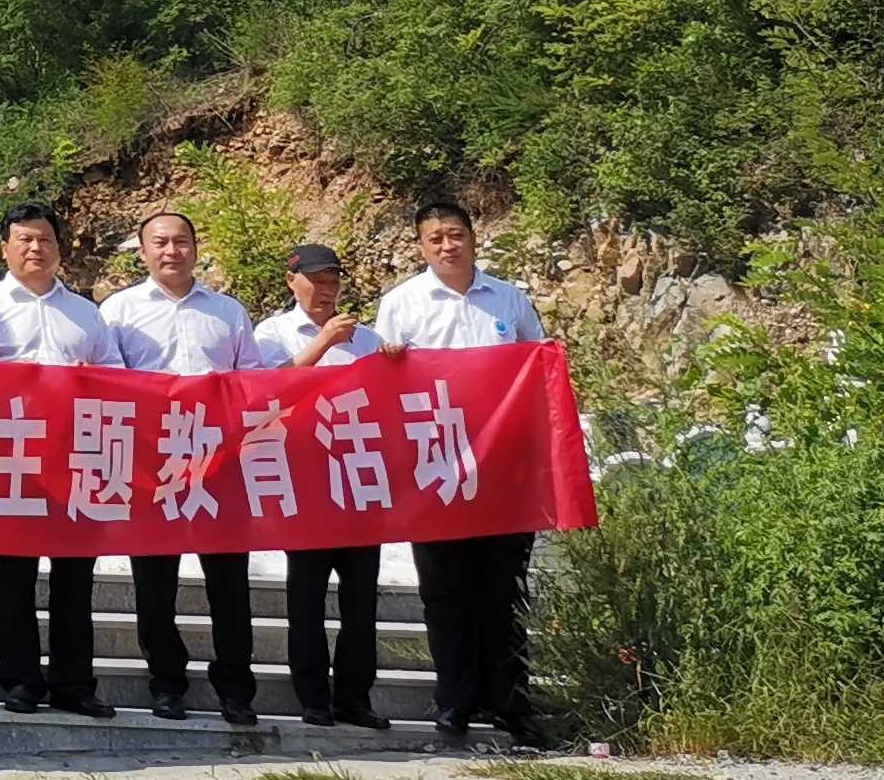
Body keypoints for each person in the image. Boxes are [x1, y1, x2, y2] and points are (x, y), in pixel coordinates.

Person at [377, 201, 553, 750]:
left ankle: (512, 704)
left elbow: (538, 366)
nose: (447, 246)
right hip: (435, 470)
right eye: (435, 238)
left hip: (502, 468)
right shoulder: (401, 303)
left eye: (455, 235)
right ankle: (455, 701)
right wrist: (392, 360)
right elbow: (383, 383)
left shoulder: (508, 299)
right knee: (445, 591)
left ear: (473, 238)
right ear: (421, 246)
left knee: (504, 590)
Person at [103, 210, 269, 726]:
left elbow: (252, 381)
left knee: (229, 584)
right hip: (151, 465)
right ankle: (166, 683)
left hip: (221, 462)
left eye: (180, 242)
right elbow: (109, 383)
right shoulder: (119, 311)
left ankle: (236, 689)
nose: (171, 251)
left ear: (196, 248)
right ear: (143, 252)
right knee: (155, 584)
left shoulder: (227, 311)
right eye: (160, 243)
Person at [0, 201, 116, 719]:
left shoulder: (86, 312)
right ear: (5, 247)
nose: (35, 248)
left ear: (59, 248)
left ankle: (75, 683)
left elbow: (117, 377)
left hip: (77, 457)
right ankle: (21, 680)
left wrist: (91, 379)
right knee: (14, 574)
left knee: (75, 576)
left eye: (45, 239)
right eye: (24, 239)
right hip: (11, 458)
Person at [253, 241, 384, 730]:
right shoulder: (272, 332)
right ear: (293, 282)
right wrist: (324, 342)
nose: (327, 290)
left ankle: (355, 697)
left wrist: (393, 357)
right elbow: (269, 388)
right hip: (304, 477)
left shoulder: (366, 338)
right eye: (316, 281)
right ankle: (312, 697)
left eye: (333, 281)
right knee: (306, 596)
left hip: (357, 476)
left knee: (360, 599)